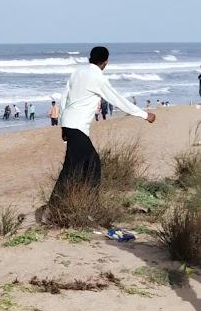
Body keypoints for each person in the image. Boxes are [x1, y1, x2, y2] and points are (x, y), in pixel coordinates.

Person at [51, 46, 155, 199]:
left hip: (70, 124)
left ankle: (76, 201)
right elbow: (117, 99)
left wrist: (63, 126)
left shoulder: (78, 72)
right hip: (77, 126)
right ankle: (83, 204)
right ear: (106, 62)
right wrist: (144, 115)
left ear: (90, 58)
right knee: (90, 164)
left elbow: (64, 98)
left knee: (78, 165)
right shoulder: (98, 77)